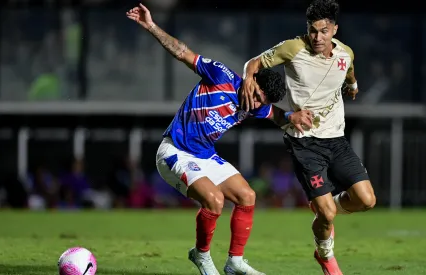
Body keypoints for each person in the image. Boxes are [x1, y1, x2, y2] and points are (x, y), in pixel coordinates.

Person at [127, 4, 307, 275]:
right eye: (257, 94)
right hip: (174, 152)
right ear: (251, 79)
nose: (255, 101)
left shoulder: (256, 106)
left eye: (261, 101)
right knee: (214, 200)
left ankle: (234, 262)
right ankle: (201, 256)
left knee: (247, 196)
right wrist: (152, 26)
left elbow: (275, 116)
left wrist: (293, 117)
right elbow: (182, 53)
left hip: (204, 155)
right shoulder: (221, 76)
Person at [240, 0, 377, 274]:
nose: (317, 37)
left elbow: (349, 71)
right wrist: (247, 79)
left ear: (334, 30)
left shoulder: (345, 53)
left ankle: (326, 208)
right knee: (326, 214)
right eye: (312, 30)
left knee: (366, 201)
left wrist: (353, 85)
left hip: (336, 138)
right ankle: (325, 254)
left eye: (323, 31)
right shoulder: (293, 48)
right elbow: (253, 63)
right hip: (303, 141)